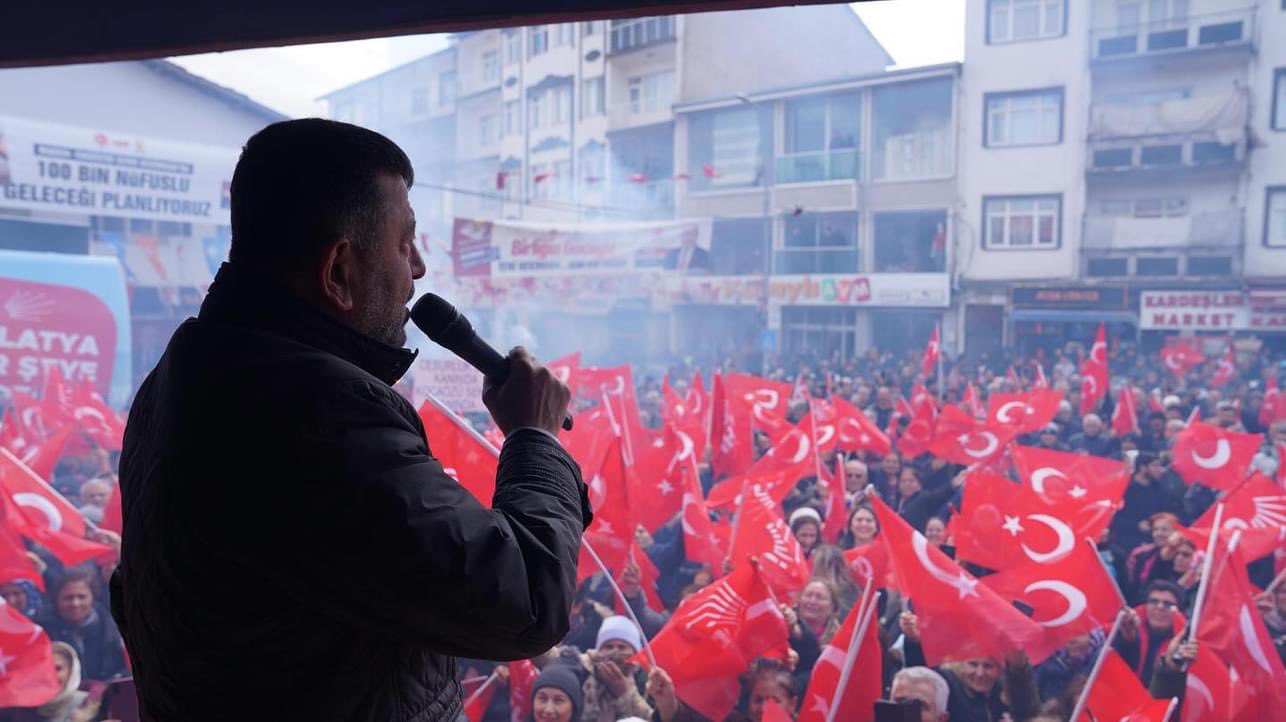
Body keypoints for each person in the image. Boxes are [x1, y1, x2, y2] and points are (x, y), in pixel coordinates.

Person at [110, 119, 592, 722]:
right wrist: (533, 438)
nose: (418, 268)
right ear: (338, 270)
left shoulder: (186, 374)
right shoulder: (313, 415)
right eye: (404, 242)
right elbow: (525, 604)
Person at [42, 567, 126, 683]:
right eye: (68, 598)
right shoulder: (43, 630)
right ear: (56, 600)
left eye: (82, 597)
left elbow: (127, 666)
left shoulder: (114, 627)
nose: (75, 603)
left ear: (93, 597)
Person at [578, 616, 652, 722]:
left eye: (622, 647)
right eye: (608, 647)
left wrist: (625, 694)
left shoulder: (646, 681)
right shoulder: (584, 670)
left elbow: (650, 718)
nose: (615, 652)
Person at [1114, 580, 1186, 685]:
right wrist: (1126, 639)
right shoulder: (1128, 629)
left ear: (1179, 612)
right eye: (1153, 601)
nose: (1160, 607)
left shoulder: (1184, 644)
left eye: (1168, 604)